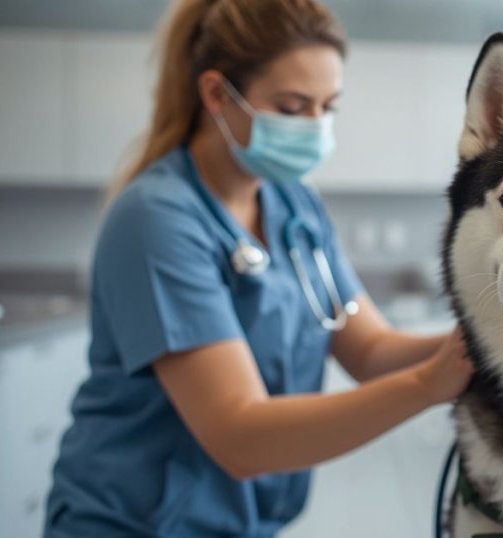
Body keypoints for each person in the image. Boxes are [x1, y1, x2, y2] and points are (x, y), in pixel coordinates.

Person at [44, 0, 472, 535]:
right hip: (135, 524)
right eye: (293, 109)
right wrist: (428, 385)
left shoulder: (296, 206)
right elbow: (240, 435)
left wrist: (482, 344)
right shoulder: (157, 220)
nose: (316, 128)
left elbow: (369, 348)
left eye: (327, 106)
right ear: (218, 95)